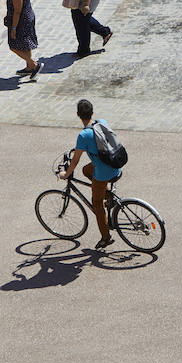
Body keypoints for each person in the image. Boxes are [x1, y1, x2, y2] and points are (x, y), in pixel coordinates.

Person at [58, 99, 119, 250]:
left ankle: (106, 238)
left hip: (104, 172)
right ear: (92, 112)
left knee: (96, 204)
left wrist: (66, 174)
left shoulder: (83, 135)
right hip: (115, 165)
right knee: (87, 170)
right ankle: (108, 195)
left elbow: (75, 160)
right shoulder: (101, 122)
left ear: (78, 115)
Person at [5, 0, 40, 78]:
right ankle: (29, 67)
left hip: (21, 21)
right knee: (25, 44)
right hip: (29, 15)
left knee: (13, 46)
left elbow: (17, 12)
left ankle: (33, 64)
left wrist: (14, 28)